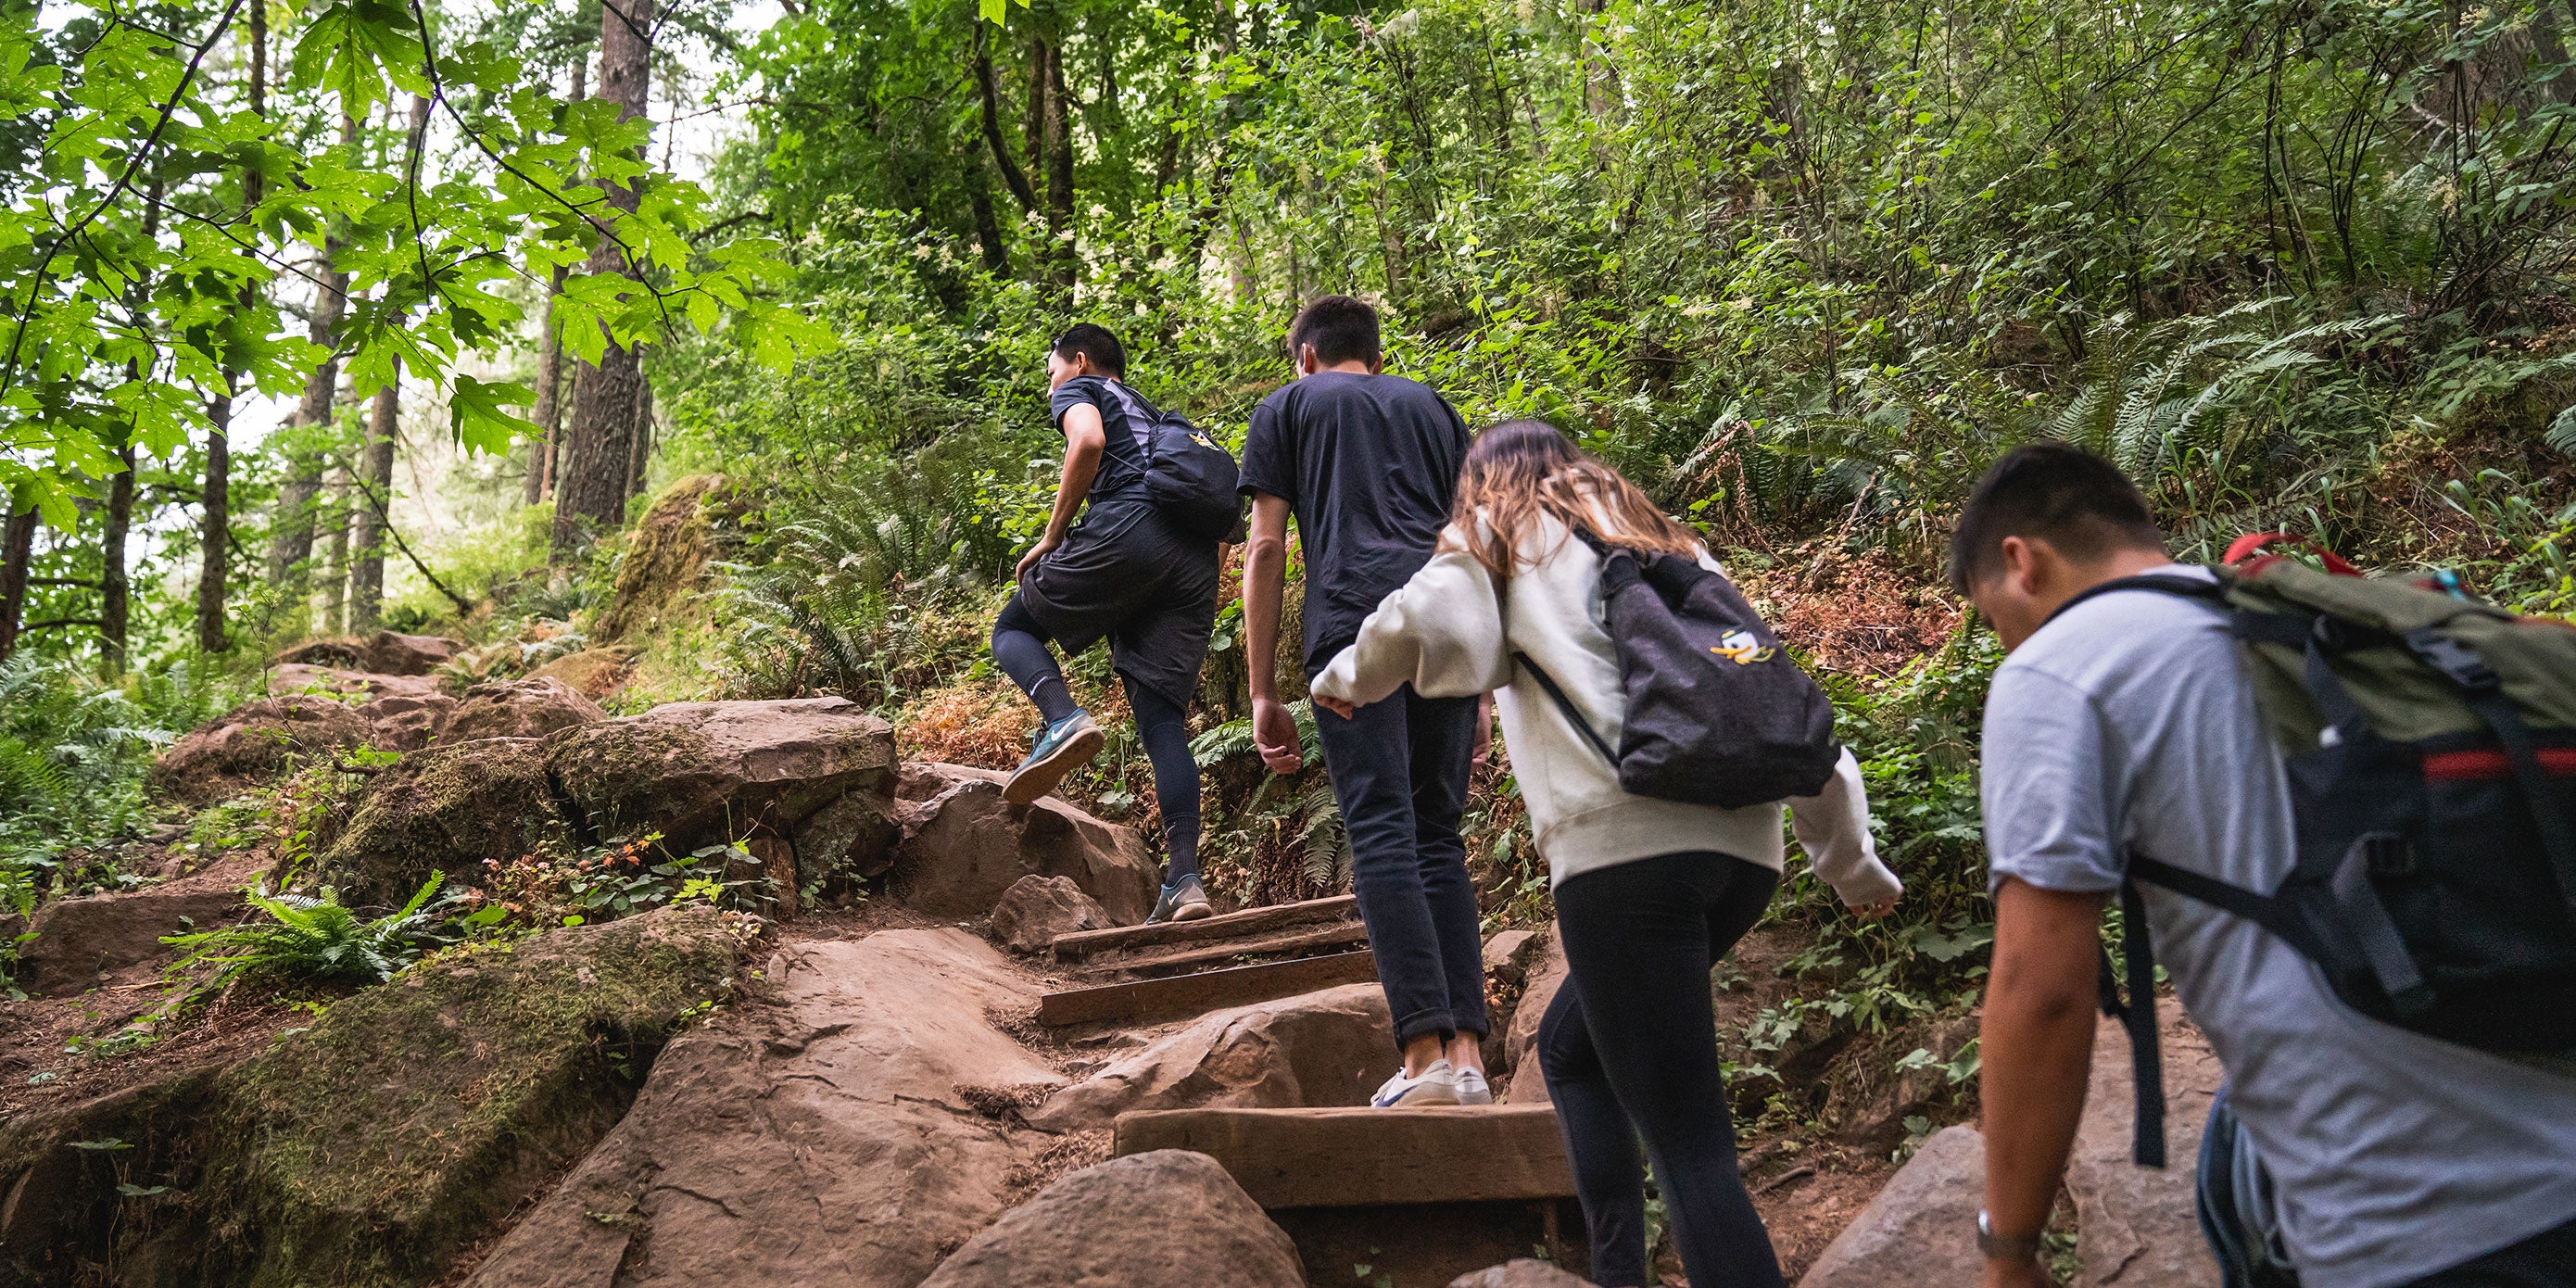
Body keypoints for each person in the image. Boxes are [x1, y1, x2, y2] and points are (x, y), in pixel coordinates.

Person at [1962, 442, 2576, 1288]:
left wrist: (2010, 1250)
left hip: (2420, 1225)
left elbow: (2043, 988)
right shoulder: (2299, 628)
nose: (2007, 646)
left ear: (2020, 562)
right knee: (2231, 1151)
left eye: (1995, 623)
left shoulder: (2063, 665)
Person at [1308, 419, 1900, 1288]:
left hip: (1625, 862)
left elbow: (1417, 620)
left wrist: (1338, 682)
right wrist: (1850, 859)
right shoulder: (1669, 546)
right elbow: (1762, 695)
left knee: (1691, 1149)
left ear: (1485, 481)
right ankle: (1617, 1270)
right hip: (1744, 856)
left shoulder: (1501, 534)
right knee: (1572, 1048)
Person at [1239, 295, 1492, 1106]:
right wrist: (1481, 677)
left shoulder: (1287, 406)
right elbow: (1473, 544)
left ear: (1305, 356)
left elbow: (1269, 544)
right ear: (1376, 360)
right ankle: (1469, 1063)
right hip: (1449, 629)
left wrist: (1261, 690)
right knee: (1437, 837)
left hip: (1353, 625)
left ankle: (1420, 1060)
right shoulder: (1432, 407)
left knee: (1382, 826)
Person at [993, 322, 1222, 924]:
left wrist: (1052, 535)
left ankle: (1062, 719)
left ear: (1080, 360)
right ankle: (1185, 880)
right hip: (1196, 558)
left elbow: (1088, 443)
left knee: (1013, 629)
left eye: (1051, 372)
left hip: (1131, 525)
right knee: (1163, 722)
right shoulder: (1154, 414)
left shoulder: (1082, 391)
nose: (1051, 384)